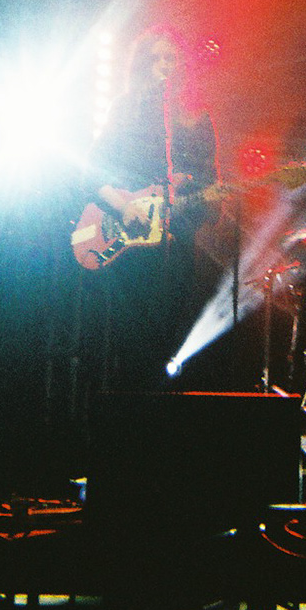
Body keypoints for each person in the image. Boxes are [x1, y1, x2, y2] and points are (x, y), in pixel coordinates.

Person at [76, 26, 219, 391]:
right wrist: (124, 206)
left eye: (170, 58)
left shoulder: (197, 118)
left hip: (177, 248)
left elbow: (209, 183)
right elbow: (91, 169)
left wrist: (204, 203)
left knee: (171, 343)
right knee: (131, 344)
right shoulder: (126, 108)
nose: (164, 65)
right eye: (155, 58)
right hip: (131, 250)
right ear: (142, 64)